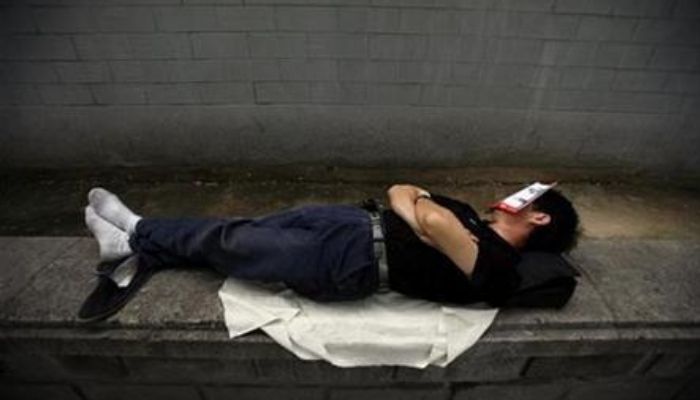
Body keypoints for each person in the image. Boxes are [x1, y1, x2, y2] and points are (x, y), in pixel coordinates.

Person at [78, 183, 580, 321]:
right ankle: (132, 242)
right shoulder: (470, 221)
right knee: (242, 231)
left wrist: (427, 216)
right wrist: (429, 220)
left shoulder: (500, 267)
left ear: (539, 217)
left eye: (528, 199)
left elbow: (427, 214)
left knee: (235, 243)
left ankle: (136, 231)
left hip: (352, 263)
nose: (515, 195)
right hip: (351, 222)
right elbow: (401, 191)